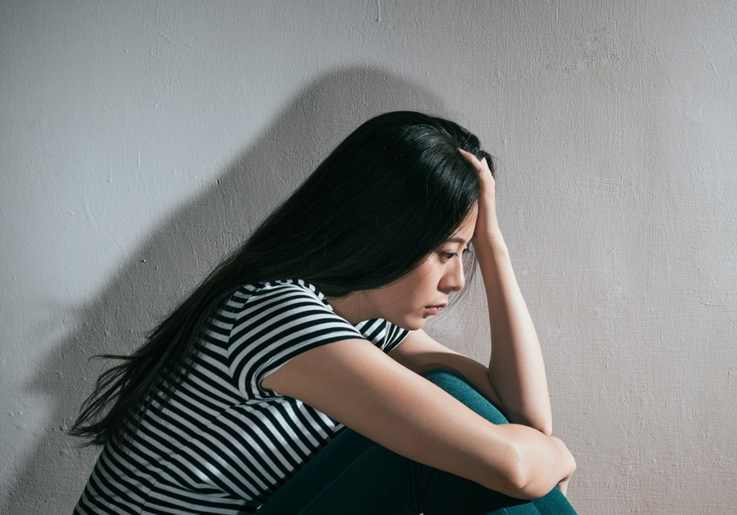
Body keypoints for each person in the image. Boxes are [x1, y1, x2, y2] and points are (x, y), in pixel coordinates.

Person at [69, 111, 578, 514]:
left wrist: (493, 246)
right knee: (453, 445)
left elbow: (523, 419)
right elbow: (514, 463)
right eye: (447, 253)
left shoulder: (363, 323)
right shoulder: (274, 314)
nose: (457, 280)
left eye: (465, 256)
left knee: (455, 407)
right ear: (385, 234)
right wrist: (557, 455)